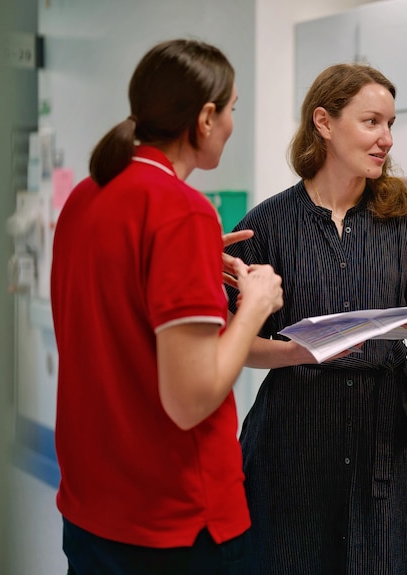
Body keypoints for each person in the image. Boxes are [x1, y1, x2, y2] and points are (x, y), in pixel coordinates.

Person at [51, 39, 283, 574]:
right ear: (205, 117)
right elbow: (189, 400)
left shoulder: (88, 197)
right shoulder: (180, 210)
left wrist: (192, 257)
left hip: (94, 511)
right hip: (175, 522)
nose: (230, 124)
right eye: (231, 109)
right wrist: (255, 304)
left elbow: (121, 318)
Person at [223, 63, 407, 574]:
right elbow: (233, 342)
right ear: (325, 123)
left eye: (391, 125)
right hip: (295, 435)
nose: (386, 139)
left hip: (387, 437)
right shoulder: (267, 226)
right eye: (372, 122)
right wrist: (296, 352)